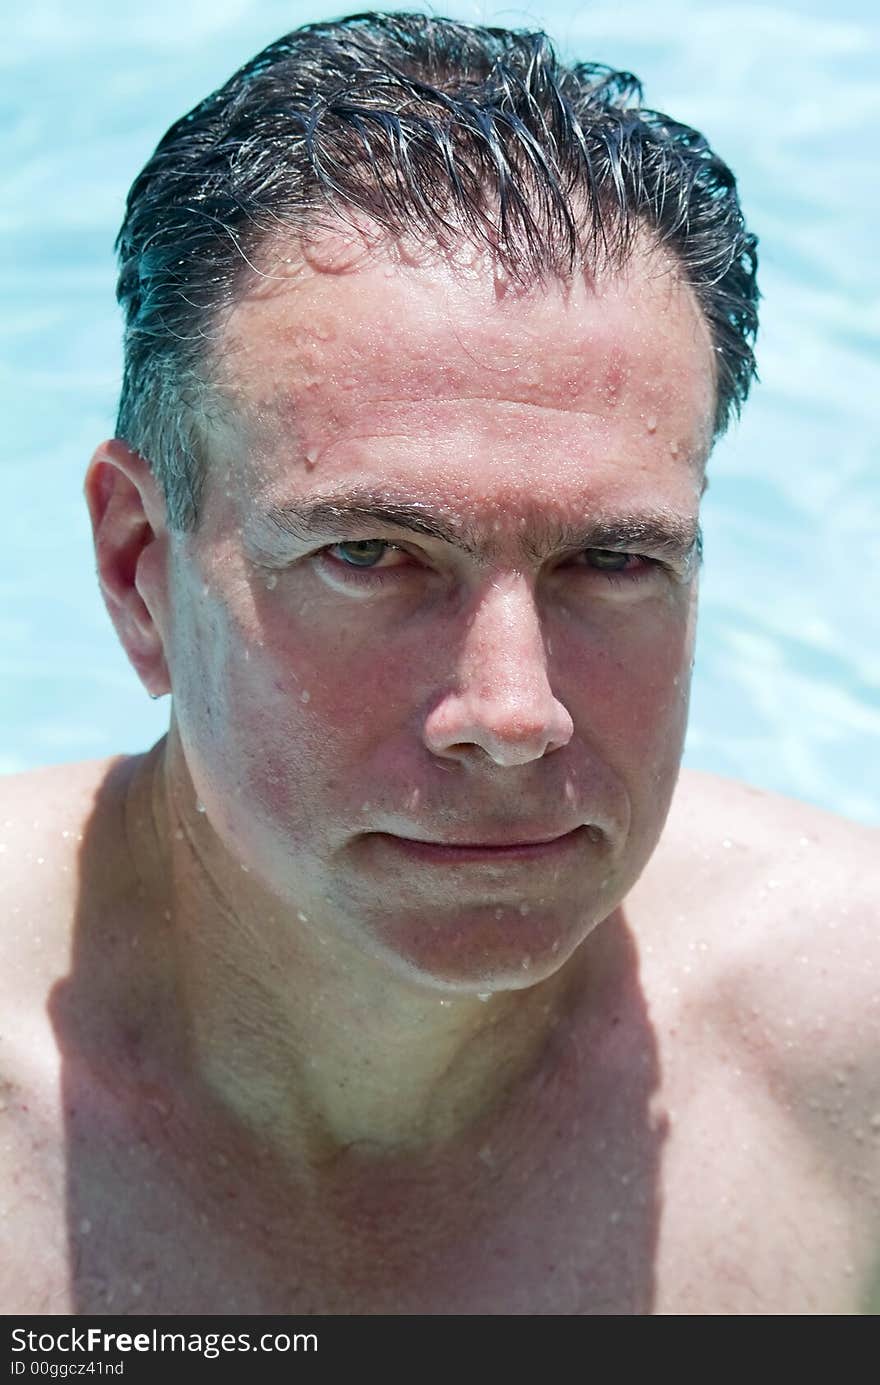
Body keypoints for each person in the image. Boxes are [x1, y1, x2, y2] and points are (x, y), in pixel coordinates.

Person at [2, 10, 877, 1317]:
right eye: (373, 554)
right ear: (141, 570)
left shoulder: (843, 1052)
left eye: (616, 561)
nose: (512, 713)